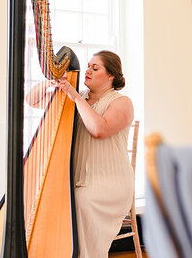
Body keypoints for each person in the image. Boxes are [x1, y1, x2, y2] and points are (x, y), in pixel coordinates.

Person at [57, 50, 135, 258]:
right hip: (78, 180)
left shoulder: (121, 102)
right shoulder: (76, 97)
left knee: (82, 201)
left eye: (95, 67)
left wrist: (75, 97)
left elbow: (99, 129)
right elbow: (31, 99)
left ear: (111, 76)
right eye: (88, 66)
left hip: (108, 182)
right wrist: (54, 81)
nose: (88, 71)